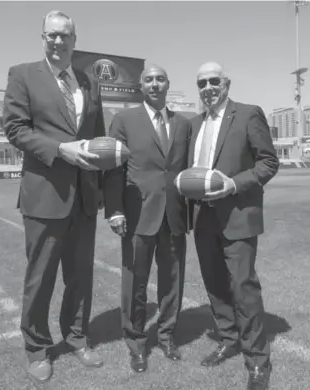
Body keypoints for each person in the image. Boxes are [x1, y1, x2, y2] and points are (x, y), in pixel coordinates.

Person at [3, 10, 105, 383]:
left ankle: (77, 337)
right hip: (45, 195)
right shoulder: (23, 74)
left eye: (65, 35)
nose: (58, 41)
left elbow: (98, 135)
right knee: (40, 277)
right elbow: (14, 128)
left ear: (75, 39)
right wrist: (61, 150)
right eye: (51, 35)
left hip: (84, 197)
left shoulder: (89, 82)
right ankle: (36, 347)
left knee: (80, 276)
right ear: (42, 38)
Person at [187, 62, 279, 390]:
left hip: (238, 214)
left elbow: (268, 162)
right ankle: (229, 338)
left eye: (214, 81)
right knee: (214, 284)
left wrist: (233, 185)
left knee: (243, 287)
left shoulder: (248, 113)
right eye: (202, 83)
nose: (208, 87)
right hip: (202, 218)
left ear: (226, 83)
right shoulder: (193, 123)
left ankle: (257, 360)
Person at [103, 65, 192, 373]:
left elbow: (185, 170)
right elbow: (113, 168)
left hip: (174, 215)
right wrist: (114, 209)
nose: (155, 84)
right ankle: (136, 342)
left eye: (160, 79)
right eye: (149, 80)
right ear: (141, 86)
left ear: (168, 84)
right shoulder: (124, 120)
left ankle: (167, 335)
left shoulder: (183, 124)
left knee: (172, 281)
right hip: (138, 215)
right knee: (135, 283)